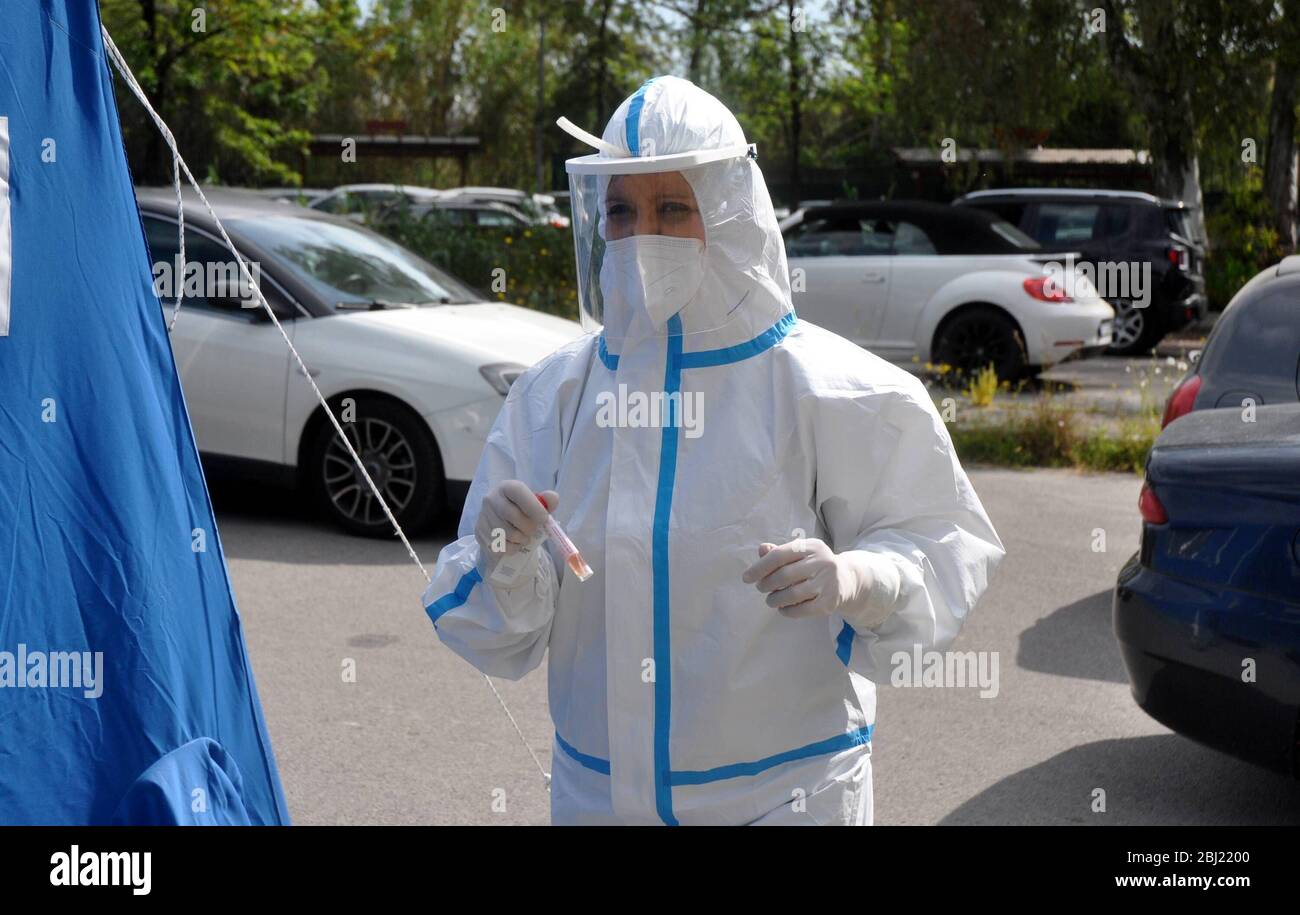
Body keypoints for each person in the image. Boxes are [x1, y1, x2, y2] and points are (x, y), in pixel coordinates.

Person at [422, 75, 1004, 825]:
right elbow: (504, 637)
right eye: (623, 211)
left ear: (728, 216)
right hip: (598, 796)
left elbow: (941, 539)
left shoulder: (834, 387)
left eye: (672, 208)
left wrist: (859, 578)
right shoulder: (556, 395)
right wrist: (501, 555)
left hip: (787, 797)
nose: (641, 236)